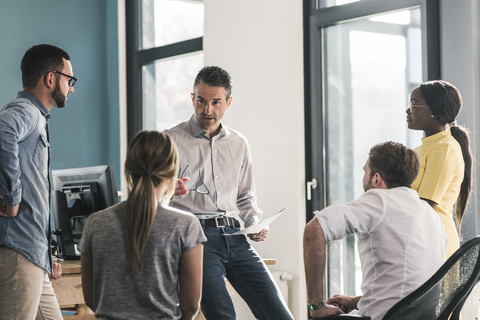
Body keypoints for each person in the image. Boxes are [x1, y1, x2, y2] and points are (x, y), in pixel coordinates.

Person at [165, 66, 293, 320]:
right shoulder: (170, 140)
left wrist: (254, 223)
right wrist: (169, 191)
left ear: (228, 103)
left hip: (236, 236)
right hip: (196, 239)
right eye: (201, 101)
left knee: (278, 314)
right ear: (192, 98)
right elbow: (152, 199)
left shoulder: (239, 143)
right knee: (223, 315)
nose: (207, 110)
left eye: (215, 102)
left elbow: (246, 197)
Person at [303, 141, 448, 320]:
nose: (363, 179)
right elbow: (409, 286)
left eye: (365, 172)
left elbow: (314, 230)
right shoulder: (431, 215)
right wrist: (356, 301)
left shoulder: (379, 200)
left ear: (376, 178)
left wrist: (316, 306)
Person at [80, 131, 206, 320]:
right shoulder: (186, 225)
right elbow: (191, 305)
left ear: (129, 171)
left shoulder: (95, 223)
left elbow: (91, 298)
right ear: (172, 173)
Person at [0, 44, 76, 320]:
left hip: (33, 253)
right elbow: (3, 131)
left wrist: (46, 254)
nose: (71, 88)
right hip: (19, 249)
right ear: (50, 78)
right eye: (70, 80)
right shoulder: (26, 111)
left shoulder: (35, 116)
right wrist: (12, 199)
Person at [406, 80, 472, 259]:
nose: (407, 111)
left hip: (435, 245)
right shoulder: (422, 148)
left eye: (413, 105)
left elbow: (426, 205)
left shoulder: (445, 148)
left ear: (433, 111)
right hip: (421, 240)